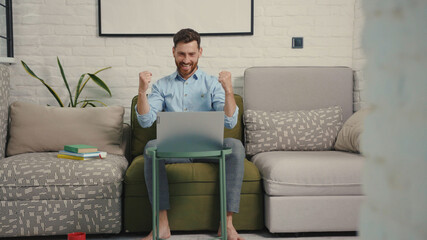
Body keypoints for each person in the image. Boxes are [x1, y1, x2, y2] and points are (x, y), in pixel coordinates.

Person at [136, 28, 245, 240]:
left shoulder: (212, 83)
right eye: (182, 54)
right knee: (150, 148)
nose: (186, 60)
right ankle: (162, 225)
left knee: (236, 146)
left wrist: (228, 90)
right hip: (175, 148)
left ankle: (227, 224)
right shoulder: (162, 85)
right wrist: (142, 91)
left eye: (191, 54)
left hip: (209, 146)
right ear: (174, 53)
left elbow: (230, 121)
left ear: (200, 53)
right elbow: (145, 120)